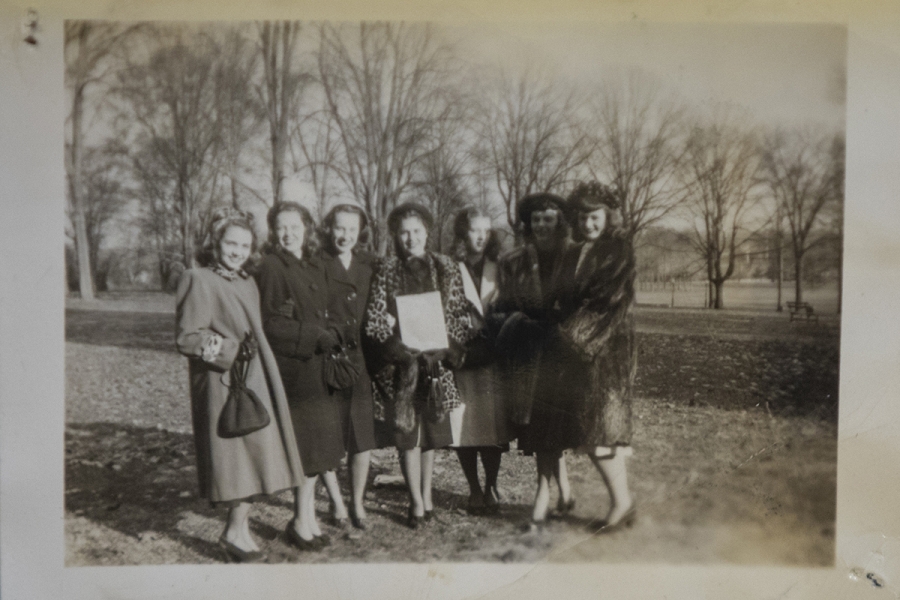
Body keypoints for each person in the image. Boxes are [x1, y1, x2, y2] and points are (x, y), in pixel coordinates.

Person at [175, 208, 304, 563]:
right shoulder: (197, 278)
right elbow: (187, 338)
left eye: (244, 246)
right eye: (231, 243)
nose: (237, 251)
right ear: (216, 243)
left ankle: (238, 529)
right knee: (235, 461)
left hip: (258, 380)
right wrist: (230, 350)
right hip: (223, 384)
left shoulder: (247, 281)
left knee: (258, 457)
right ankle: (233, 532)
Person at [363, 202, 472, 529]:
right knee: (408, 435)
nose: (411, 238)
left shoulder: (447, 267)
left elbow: (456, 315)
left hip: (436, 366)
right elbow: (374, 321)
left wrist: (446, 348)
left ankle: (427, 496)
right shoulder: (386, 268)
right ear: (396, 235)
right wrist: (397, 347)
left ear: (427, 232)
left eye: (417, 231)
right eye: (404, 232)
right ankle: (415, 502)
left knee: (432, 436)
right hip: (404, 368)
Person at [256, 202, 344, 551]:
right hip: (295, 368)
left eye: (295, 226)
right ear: (273, 232)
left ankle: (305, 518)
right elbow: (270, 323)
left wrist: (334, 331)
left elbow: (329, 307)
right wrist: (314, 335)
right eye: (282, 227)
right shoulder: (272, 266)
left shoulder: (314, 262)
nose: (289, 233)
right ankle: (299, 520)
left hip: (318, 366)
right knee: (307, 450)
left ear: (306, 228)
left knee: (319, 450)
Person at [493, 193, 579, 531]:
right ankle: (562, 491)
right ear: (528, 224)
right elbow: (500, 310)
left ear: (559, 221)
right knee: (539, 429)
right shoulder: (512, 261)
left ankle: (543, 496)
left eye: (548, 218)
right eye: (536, 219)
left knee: (551, 428)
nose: (542, 225)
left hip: (563, 354)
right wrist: (520, 322)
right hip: (529, 354)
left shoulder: (572, 257)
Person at [558, 182, 637, 532]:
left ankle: (622, 504)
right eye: (583, 217)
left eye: (595, 216)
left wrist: (567, 334)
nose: (589, 223)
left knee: (601, 432)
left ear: (607, 216)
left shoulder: (617, 250)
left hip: (605, 350)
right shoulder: (579, 250)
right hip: (583, 350)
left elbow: (605, 300)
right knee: (596, 431)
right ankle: (623, 503)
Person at [316, 203, 379, 530]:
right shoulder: (316, 263)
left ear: (360, 232)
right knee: (328, 436)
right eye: (339, 228)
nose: (345, 235)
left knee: (361, 437)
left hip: (360, 362)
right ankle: (336, 503)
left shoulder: (369, 265)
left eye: (352, 229)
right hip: (327, 359)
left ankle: (356, 502)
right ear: (329, 228)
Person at [448, 207, 512, 515]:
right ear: (463, 233)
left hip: (493, 355)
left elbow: (509, 306)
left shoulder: (498, 267)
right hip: (461, 356)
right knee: (464, 427)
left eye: (486, 231)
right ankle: (473, 488)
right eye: (474, 230)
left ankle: (491, 486)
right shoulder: (449, 267)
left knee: (492, 428)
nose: (481, 236)